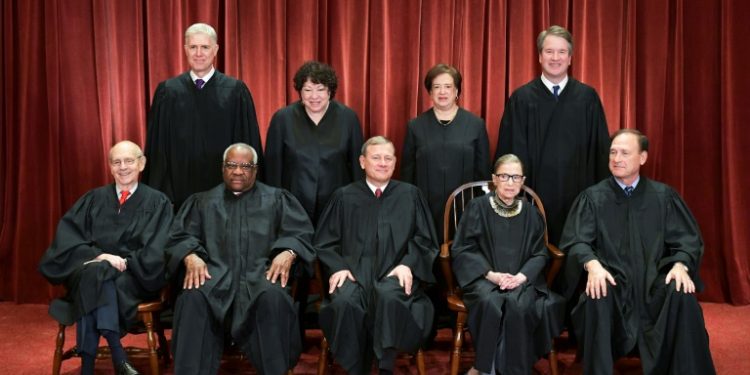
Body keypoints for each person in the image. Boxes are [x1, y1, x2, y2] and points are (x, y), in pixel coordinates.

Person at [559, 129, 716, 375]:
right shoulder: (593, 198)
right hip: (612, 284)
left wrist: (680, 265)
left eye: (624, 153)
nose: (616, 158)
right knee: (596, 293)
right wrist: (592, 265)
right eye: (613, 152)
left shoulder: (664, 197)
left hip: (654, 287)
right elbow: (577, 241)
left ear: (642, 158)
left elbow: (687, 241)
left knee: (681, 291)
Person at [165, 143, 315, 374]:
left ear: (255, 170)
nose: (238, 171)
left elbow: (300, 233)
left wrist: (289, 252)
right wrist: (190, 255)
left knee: (273, 297)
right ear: (222, 168)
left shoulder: (277, 199)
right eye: (232, 165)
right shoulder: (202, 202)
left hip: (261, 276)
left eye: (245, 166)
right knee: (192, 298)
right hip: (214, 279)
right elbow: (179, 237)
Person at [39, 141, 173, 375]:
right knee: (98, 272)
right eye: (116, 162)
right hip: (92, 268)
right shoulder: (93, 199)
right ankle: (118, 355)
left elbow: (157, 249)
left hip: (132, 275)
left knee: (97, 276)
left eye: (129, 161)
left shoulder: (157, 202)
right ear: (110, 167)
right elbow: (67, 240)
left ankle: (88, 365)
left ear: (141, 164)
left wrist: (123, 262)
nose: (123, 167)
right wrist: (100, 256)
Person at [315, 136, 439, 375]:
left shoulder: (410, 195)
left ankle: (385, 368)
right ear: (362, 162)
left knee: (389, 297)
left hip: (395, 273)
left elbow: (425, 240)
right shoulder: (344, 196)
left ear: (394, 163)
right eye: (376, 158)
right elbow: (324, 242)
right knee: (345, 302)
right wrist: (338, 267)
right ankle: (356, 368)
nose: (382, 163)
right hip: (354, 274)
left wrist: (408, 265)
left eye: (388, 158)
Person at [494, 25, 610, 247]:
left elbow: (600, 151)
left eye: (561, 52)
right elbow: (508, 153)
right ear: (539, 56)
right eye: (549, 51)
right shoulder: (521, 99)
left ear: (570, 57)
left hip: (579, 195)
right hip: (532, 197)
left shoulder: (588, 98)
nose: (555, 58)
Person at [451, 154, 565, 375]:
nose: (510, 182)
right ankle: (486, 368)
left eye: (516, 177)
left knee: (519, 304)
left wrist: (521, 277)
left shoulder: (531, 213)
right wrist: (491, 275)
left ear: (523, 181)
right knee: (491, 301)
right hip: (484, 279)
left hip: (521, 280)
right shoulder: (477, 207)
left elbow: (540, 253)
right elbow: (463, 248)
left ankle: (512, 369)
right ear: (494, 179)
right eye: (504, 176)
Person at [143, 23, 264, 211]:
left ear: (215, 50)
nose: (199, 53)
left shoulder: (235, 91)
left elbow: (248, 144)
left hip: (225, 195)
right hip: (178, 192)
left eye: (205, 47)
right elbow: (157, 149)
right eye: (193, 47)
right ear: (185, 50)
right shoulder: (168, 91)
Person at [265, 60, 364, 225]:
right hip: (293, 205)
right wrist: (275, 205)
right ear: (300, 92)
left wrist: (356, 203)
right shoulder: (282, 119)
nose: (314, 96)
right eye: (307, 90)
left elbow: (357, 166)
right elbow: (273, 168)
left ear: (330, 92)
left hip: (337, 205)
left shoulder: (348, 118)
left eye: (320, 89)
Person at [402, 63, 490, 239]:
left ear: (457, 91)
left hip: (465, 208)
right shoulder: (415, 126)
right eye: (436, 87)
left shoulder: (475, 125)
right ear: (430, 92)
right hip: (425, 210)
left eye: (448, 86)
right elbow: (407, 174)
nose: (442, 92)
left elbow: (483, 173)